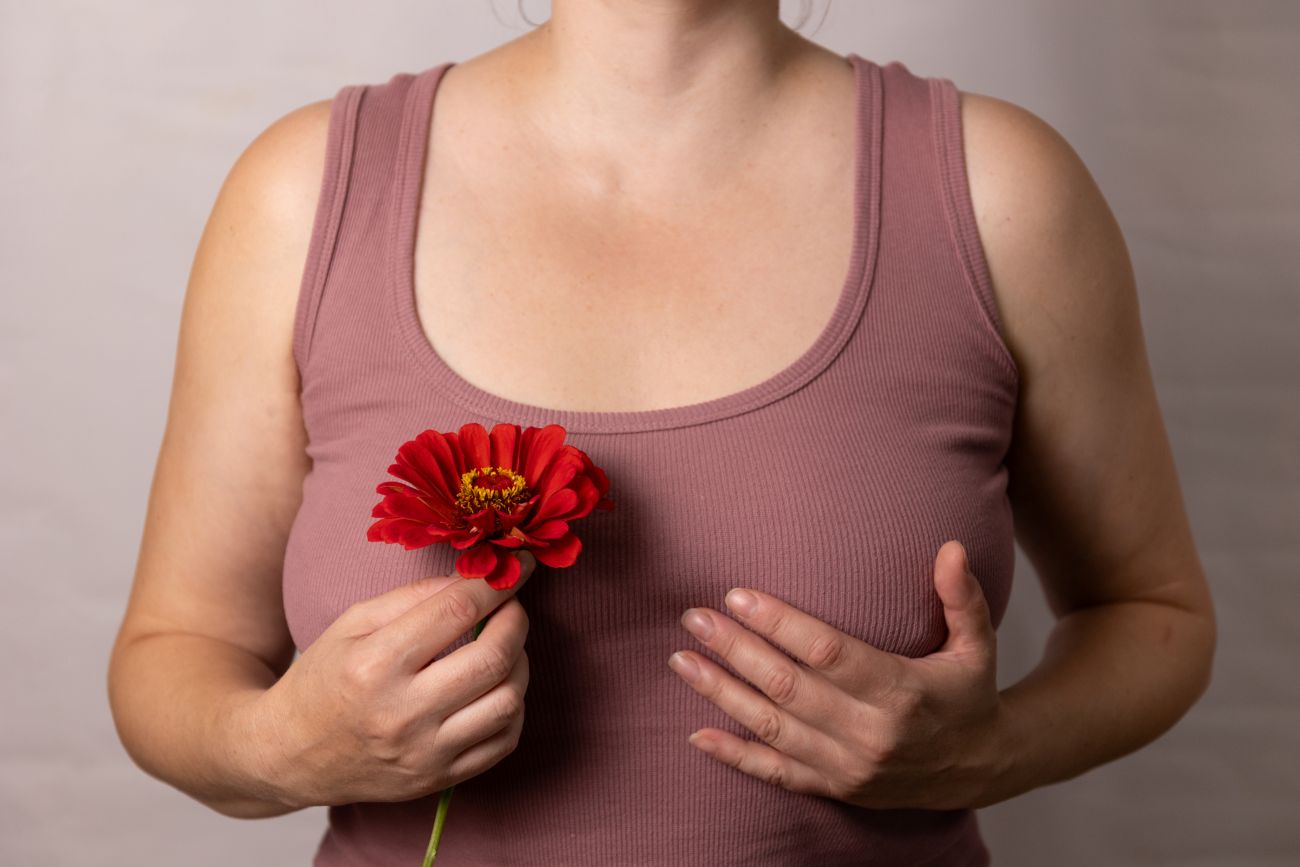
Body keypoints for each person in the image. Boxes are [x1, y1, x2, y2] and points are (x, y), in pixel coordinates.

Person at [107, 2, 1217, 864]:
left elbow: (1154, 615)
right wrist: (281, 749)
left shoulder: (1000, 189)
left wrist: (996, 748)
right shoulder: (303, 192)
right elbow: (172, 657)